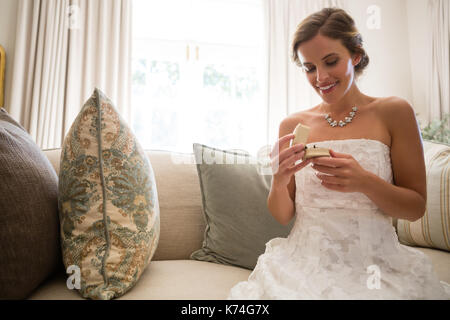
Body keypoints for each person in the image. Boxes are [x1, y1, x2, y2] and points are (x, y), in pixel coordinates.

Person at [227, 7, 450, 299]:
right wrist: (280, 181)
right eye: (309, 67)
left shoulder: (394, 112)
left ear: (356, 55)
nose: (320, 77)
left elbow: (415, 207)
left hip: (377, 265)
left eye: (330, 61)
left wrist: (364, 182)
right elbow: (282, 216)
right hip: (302, 265)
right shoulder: (293, 125)